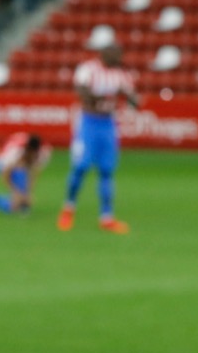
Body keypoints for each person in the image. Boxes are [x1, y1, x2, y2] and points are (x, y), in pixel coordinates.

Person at [58, 43, 139, 233]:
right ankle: (68, 209)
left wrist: (133, 99)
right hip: (88, 123)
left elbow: (130, 95)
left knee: (106, 170)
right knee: (81, 167)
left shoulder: (122, 74)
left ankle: (107, 217)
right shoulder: (88, 69)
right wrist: (104, 97)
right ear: (102, 54)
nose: (117, 57)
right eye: (113, 53)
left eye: (119, 53)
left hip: (108, 124)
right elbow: (82, 91)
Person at [0, 131, 50, 214]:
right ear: (27, 150)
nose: (34, 157)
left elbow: (34, 173)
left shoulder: (44, 152)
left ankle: (21, 204)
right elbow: (4, 175)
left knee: (23, 200)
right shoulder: (14, 154)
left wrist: (28, 193)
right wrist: (16, 192)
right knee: (14, 206)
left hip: (17, 162)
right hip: (0, 162)